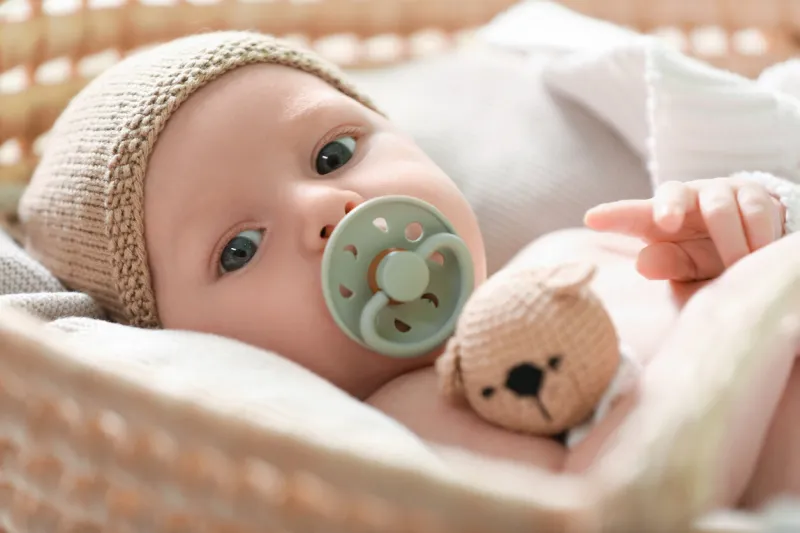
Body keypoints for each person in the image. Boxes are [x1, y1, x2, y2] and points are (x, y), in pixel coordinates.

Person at [17, 31, 800, 509]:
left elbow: (753, 239)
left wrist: (747, 213)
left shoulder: (567, 248)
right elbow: (626, 495)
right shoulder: (418, 421)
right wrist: (754, 297)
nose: (326, 211)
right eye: (238, 249)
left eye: (332, 154)